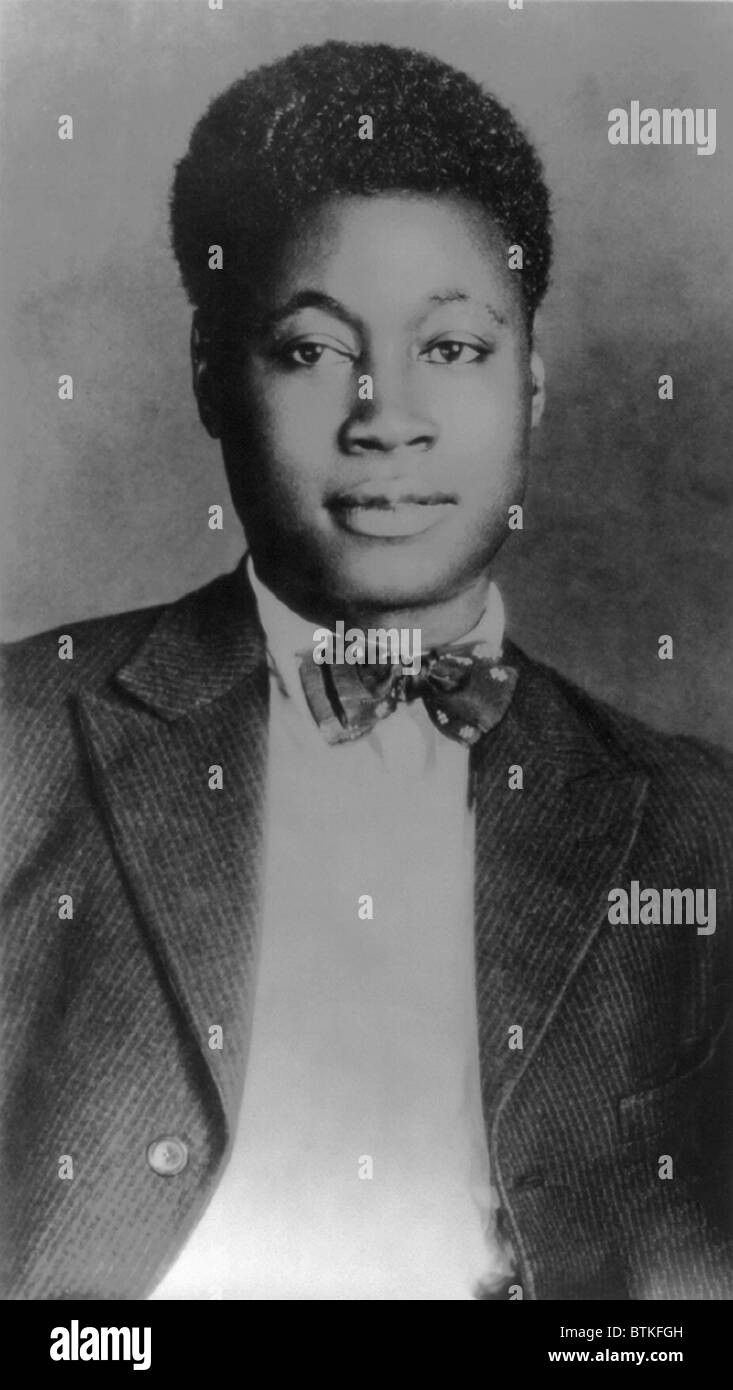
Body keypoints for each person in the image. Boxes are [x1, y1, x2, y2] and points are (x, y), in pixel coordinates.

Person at [1, 40, 731, 1302]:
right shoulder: (18, 740)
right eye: (307, 348)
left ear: (533, 380)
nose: (383, 415)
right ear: (208, 377)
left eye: (451, 349)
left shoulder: (695, 828)